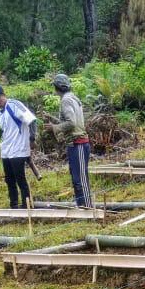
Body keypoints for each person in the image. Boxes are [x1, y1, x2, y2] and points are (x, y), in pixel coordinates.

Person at [0, 84, 41, 209]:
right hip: (6, 150)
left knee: (20, 179)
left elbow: (32, 120)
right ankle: (14, 205)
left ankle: (26, 205)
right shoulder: (1, 113)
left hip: (18, 149)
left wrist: (32, 139)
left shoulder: (13, 105)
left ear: (3, 95)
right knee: (9, 180)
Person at [46, 73, 92, 208]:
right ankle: (81, 207)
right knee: (77, 178)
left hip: (78, 143)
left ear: (57, 87)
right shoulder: (73, 97)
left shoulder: (66, 100)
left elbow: (71, 123)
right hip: (75, 144)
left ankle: (87, 208)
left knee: (80, 180)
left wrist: (55, 127)